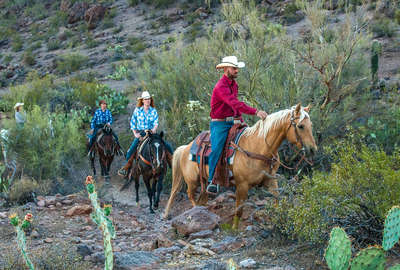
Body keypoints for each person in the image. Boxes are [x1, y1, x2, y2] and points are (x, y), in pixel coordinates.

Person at [207, 56, 268, 194]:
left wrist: (239, 119)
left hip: (233, 121)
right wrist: (255, 112)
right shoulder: (220, 86)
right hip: (220, 124)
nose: (236, 71)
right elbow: (234, 103)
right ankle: (212, 180)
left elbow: (234, 106)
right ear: (226, 69)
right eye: (234, 68)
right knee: (217, 148)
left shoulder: (234, 85)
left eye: (237, 68)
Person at [118, 91, 173, 177]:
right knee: (131, 150)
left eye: (149, 99)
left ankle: (172, 163)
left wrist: (154, 129)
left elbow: (156, 122)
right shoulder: (137, 110)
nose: (148, 101)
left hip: (152, 132)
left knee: (167, 145)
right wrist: (135, 134)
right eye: (146, 99)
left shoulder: (153, 110)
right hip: (142, 133)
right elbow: (132, 122)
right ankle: (127, 167)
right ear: (142, 101)